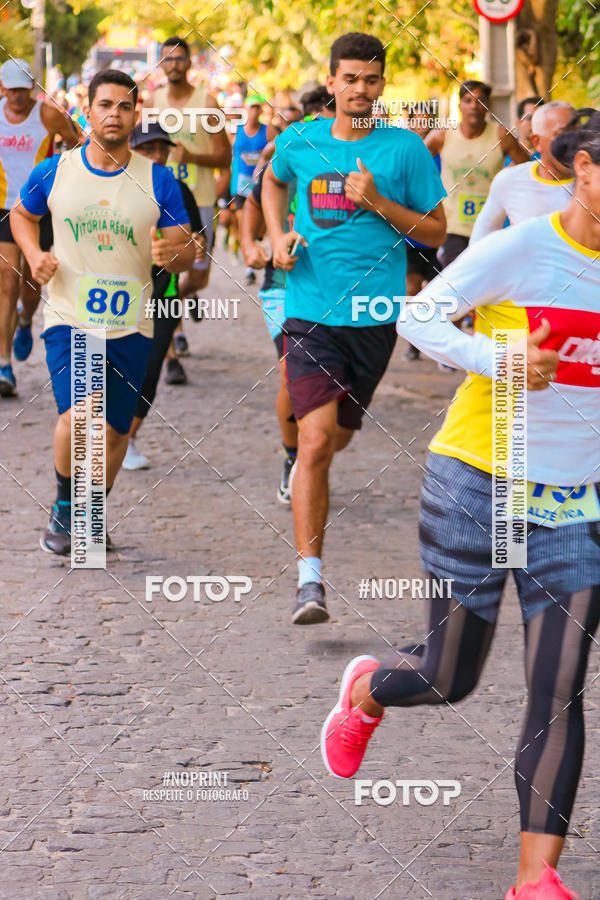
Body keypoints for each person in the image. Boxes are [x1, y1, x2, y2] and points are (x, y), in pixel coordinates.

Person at [321, 109, 600, 900]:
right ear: (579, 170)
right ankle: (370, 688)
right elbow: (420, 314)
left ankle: (534, 879)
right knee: (450, 676)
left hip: (576, 502)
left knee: (560, 684)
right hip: (480, 480)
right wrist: (502, 357)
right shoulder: (526, 246)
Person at [262, 32, 446, 624]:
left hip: (373, 318)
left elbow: (437, 232)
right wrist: (274, 237)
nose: (359, 90)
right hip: (309, 308)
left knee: (337, 437)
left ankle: (305, 462)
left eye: (371, 79)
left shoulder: (404, 151)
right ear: (332, 81)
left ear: (382, 83)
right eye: (349, 79)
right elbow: (271, 179)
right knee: (316, 441)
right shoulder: (301, 140)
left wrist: (378, 204)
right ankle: (309, 583)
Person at [10, 70, 194, 554]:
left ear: (137, 115)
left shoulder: (159, 179)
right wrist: (33, 256)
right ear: (87, 111)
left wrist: (172, 255)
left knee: (114, 431)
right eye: (105, 105)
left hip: (133, 321)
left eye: (125, 107)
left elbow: (188, 248)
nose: (115, 115)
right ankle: (64, 507)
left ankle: (91, 513)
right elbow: (21, 216)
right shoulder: (55, 169)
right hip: (71, 316)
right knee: (81, 414)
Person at [123, 122, 205, 470]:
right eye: (147, 148)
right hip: (113, 295)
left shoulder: (176, 188)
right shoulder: (111, 187)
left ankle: (126, 438)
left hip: (163, 296)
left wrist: (190, 249)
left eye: (161, 149)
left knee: (150, 371)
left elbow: (197, 241)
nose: (156, 155)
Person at [0, 58, 81, 395]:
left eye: (23, 89)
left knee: (32, 280)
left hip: (40, 208)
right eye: (12, 89)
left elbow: (78, 142)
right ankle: (4, 365)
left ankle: (25, 320)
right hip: (4, 207)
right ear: (2, 88)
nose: (18, 96)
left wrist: (62, 173)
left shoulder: (47, 115)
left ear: (32, 88)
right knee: (7, 280)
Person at [145, 36, 231, 349]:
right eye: (166, 59)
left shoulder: (208, 103)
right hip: (164, 197)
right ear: (160, 64)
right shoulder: (153, 102)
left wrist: (193, 157)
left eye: (179, 59)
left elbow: (226, 157)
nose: (173, 65)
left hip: (202, 199)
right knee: (166, 269)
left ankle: (180, 303)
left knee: (197, 277)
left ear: (189, 63)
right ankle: (173, 336)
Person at [241, 114, 300, 503]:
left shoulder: (347, 161)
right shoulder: (275, 168)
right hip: (281, 286)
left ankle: (315, 446)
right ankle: (292, 457)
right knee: (292, 372)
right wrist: (248, 243)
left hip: (338, 290)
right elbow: (250, 201)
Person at [427, 80, 530, 269]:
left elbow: (529, 168)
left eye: (480, 100)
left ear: (488, 105)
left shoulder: (501, 136)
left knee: (487, 283)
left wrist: (509, 182)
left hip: (491, 225)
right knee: (458, 282)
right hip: (453, 227)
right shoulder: (442, 136)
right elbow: (415, 166)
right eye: (468, 100)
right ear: (459, 106)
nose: (474, 106)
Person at [472, 101, 575, 242]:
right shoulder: (509, 179)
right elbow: (478, 246)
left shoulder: (593, 183)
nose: (571, 142)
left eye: (576, 134)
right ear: (537, 141)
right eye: (561, 135)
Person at [230, 94, 268, 284]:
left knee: (255, 230)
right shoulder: (235, 131)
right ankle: (247, 262)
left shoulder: (268, 132)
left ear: (261, 110)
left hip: (259, 185)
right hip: (239, 186)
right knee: (241, 222)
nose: (253, 111)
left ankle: (249, 267)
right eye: (250, 107)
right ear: (245, 109)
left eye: (257, 107)